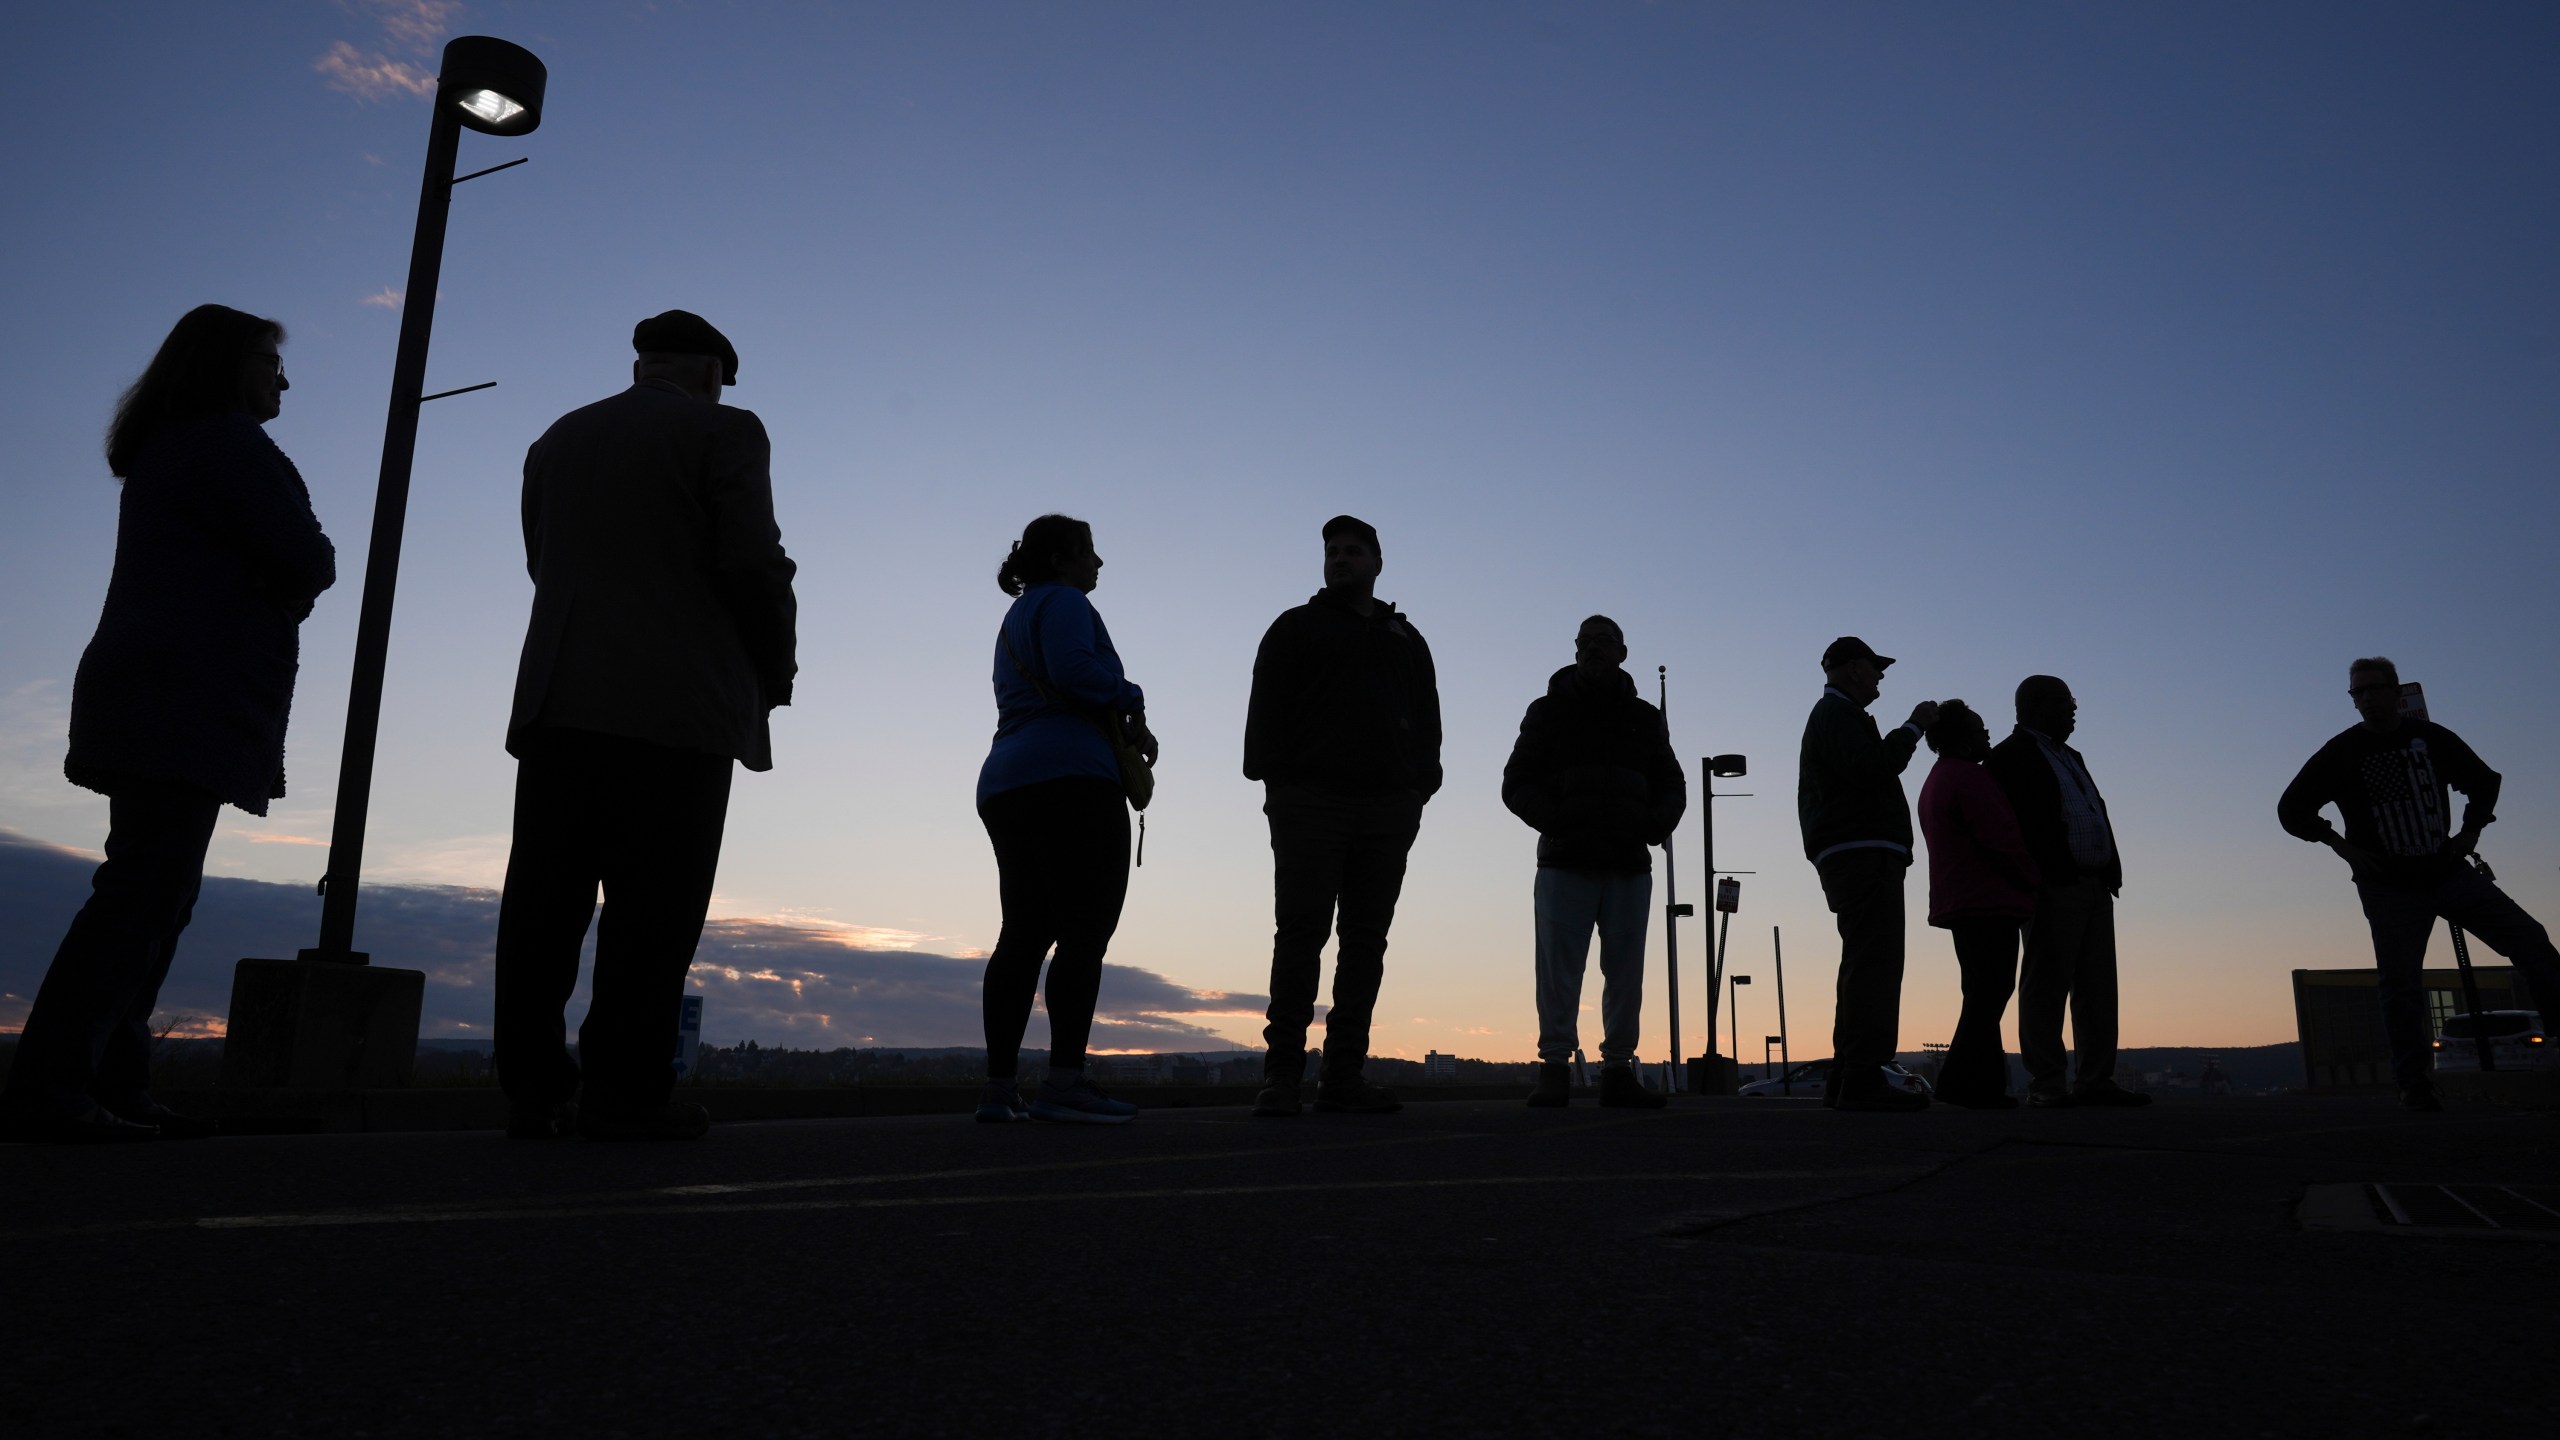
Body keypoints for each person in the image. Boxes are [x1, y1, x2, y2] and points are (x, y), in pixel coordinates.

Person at [1, 305, 334, 1143]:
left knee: (155, 894)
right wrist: (283, 586)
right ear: (225, 365)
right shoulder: (224, 444)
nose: (282, 377)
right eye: (268, 359)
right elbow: (310, 558)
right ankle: (55, 1087)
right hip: (184, 697)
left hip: (155, 692)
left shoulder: (175, 447)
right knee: (142, 895)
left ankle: (111, 1083)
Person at [492, 311, 797, 1142]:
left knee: (544, 904)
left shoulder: (558, 439)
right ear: (709, 373)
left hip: (559, 702)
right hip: (677, 708)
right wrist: (777, 666)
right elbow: (751, 560)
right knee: (653, 912)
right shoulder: (725, 431)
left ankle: (531, 1088)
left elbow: (541, 560)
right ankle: (622, 1092)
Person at [2278, 657, 2560, 1112]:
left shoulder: (2431, 739)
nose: (2366, 698)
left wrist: (2469, 834)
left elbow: (2484, 782)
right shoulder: (2341, 752)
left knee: (2530, 941)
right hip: (2388, 887)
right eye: (2358, 692)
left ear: (2396, 692)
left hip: (2447, 872)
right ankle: (2414, 1083)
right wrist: (2339, 845)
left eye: (2374, 688)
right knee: (2401, 981)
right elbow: (2291, 809)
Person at [1243, 515, 1442, 1117]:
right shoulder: (1295, 628)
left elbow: (1429, 721)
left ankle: (1342, 1075)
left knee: (1365, 941)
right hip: (1311, 803)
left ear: (1377, 562)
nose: (1339, 559)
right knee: (1302, 933)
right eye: (1332, 551)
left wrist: (1418, 787)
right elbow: (1265, 709)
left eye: (1352, 551)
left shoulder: (1405, 638)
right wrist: (1278, 781)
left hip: (1386, 808)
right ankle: (1282, 1075)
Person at [973, 514, 1158, 1125]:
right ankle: (1065, 1082)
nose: (1099, 564)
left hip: (1008, 780)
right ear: (1061, 560)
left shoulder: (1015, 618)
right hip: (1071, 780)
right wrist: (1131, 697)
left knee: (1022, 933)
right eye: (1090, 554)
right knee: (1085, 930)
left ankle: (1000, 1090)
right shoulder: (1066, 603)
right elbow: (1074, 672)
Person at [1501, 616, 1686, 1109]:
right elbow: (1516, 782)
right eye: (1584, 642)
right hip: (1565, 862)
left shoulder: (1645, 719)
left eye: (1602, 642)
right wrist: (1558, 821)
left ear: (1622, 652)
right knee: (1558, 972)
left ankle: (1617, 1069)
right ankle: (1555, 1068)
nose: (1591, 650)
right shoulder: (1547, 712)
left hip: (1627, 862)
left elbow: (1673, 785)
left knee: (1625, 973)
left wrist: (1651, 825)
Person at [1986, 676, 2146, 1108]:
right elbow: (2009, 827)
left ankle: (2096, 1080)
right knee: (2047, 986)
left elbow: (2091, 811)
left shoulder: (2070, 755)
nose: (2073, 709)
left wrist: (2110, 868)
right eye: (2064, 702)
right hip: (2053, 887)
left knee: (2097, 987)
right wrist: (2038, 876)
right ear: (2033, 706)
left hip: (2094, 884)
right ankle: (2048, 1083)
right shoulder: (2009, 756)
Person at [1796, 636, 1938, 1112]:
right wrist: (1914, 726)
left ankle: (1848, 1074)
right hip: (1861, 851)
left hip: (1854, 849)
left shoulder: (1837, 717)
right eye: (1874, 668)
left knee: (1864, 961)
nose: (1880, 676)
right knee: (1875, 963)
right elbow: (1873, 768)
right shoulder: (1836, 715)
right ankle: (1861, 1074)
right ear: (1852, 669)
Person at [1914, 700, 2036, 1109]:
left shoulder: (1938, 779)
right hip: (1987, 900)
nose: (1988, 735)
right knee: (1991, 990)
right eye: (1980, 729)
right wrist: (2032, 881)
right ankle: (1964, 1083)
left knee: (1982, 991)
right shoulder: (1970, 779)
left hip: (1961, 899)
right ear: (1963, 738)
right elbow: (1999, 838)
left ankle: (1979, 1084)